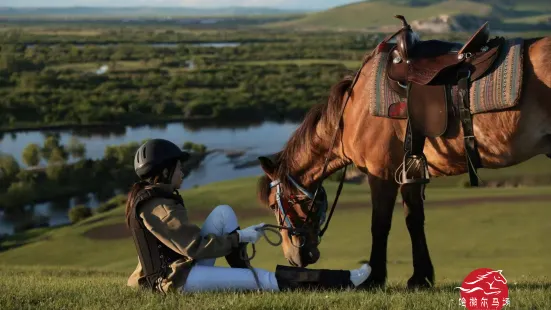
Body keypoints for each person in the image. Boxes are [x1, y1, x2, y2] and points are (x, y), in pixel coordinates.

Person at [126, 138, 372, 294]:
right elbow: (195, 247)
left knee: (223, 213)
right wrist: (240, 237)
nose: (184, 171)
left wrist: (241, 236)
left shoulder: (156, 197)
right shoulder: (158, 206)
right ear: (166, 171)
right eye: (180, 167)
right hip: (175, 282)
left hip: (179, 270)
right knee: (265, 280)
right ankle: (345, 280)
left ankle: (243, 273)